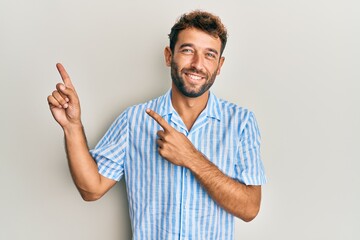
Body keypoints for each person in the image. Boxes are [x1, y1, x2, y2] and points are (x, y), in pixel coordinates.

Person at [47, 10, 266, 240]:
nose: (197, 64)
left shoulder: (241, 123)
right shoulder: (134, 120)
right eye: (188, 50)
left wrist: (190, 157)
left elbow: (250, 208)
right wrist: (72, 126)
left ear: (219, 65)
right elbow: (91, 189)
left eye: (209, 55)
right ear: (169, 56)